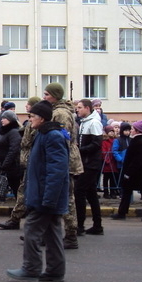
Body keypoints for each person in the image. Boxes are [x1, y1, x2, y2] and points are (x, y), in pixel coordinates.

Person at [6, 100, 69, 282]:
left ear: (42, 118)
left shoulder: (52, 136)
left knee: (31, 230)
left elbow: (57, 170)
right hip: (44, 194)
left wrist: (49, 199)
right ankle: (55, 270)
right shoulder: (44, 134)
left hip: (45, 196)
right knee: (52, 232)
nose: (30, 119)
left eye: (32, 116)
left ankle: (30, 270)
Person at [43, 82, 83, 249]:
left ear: (55, 96)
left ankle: (71, 234)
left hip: (64, 160)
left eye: (47, 94)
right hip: (61, 159)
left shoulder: (60, 113)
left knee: (66, 198)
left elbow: (62, 139)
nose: (44, 97)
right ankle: (46, 233)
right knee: (54, 197)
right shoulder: (56, 111)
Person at [0, 96, 40, 230]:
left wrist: (6, 164)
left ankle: (32, 227)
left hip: (26, 165)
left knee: (24, 193)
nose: (26, 106)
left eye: (29, 104)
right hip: (26, 164)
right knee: (21, 192)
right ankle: (16, 220)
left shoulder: (35, 125)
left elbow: (15, 148)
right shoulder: (28, 123)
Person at [111, 120, 142, 222]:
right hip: (133, 173)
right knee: (126, 192)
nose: (131, 131)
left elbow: (137, 160)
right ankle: (122, 212)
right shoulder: (136, 140)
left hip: (138, 173)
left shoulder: (140, 142)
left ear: (137, 131)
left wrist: (128, 173)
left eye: (132, 129)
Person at [75, 99, 104, 235]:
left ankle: (80, 225)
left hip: (90, 164)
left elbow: (97, 144)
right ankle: (97, 225)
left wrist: (80, 150)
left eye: (80, 107)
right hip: (85, 162)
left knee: (79, 191)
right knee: (91, 194)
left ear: (87, 108)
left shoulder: (94, 122)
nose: (77, 109)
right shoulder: (84, 122)